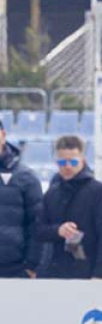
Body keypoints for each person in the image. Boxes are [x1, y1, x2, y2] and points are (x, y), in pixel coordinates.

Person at [35, 135, 102, 279]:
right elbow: (39, 230)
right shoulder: (52, 193)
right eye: (63, 162)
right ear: (56, 162)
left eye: (73, 161)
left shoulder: (99, 192)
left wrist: (100, 273)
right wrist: (58, 230)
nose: (68, 166)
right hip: (56, 273)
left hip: (88, 272)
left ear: (83, 160)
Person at [0, 117, 45, 278]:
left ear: (3, 135)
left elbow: (37, 223)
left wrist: (31, 265)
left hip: (13, 269)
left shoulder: (26, 177)